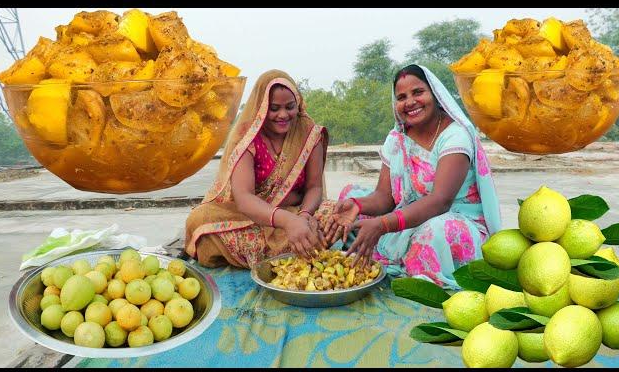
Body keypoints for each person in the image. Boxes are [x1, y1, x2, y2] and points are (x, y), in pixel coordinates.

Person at [323, 64, 502, 288]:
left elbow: (440, 201)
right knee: (349, 196)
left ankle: (419, 272)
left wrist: (384, 225)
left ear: (435, 95)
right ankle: (379, 252)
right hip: (411, 213)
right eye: (402, 97)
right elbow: (384, 197)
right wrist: (357, 205)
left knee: (432, 232)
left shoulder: (455, 136)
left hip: (454, 218)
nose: (410, 102)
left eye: (418, 92)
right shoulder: (397, 138)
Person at [185, 69, 335, 268]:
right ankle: (298, 250)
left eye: (290, 107)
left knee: (334, 214)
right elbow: (244, 198)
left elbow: (314, 187)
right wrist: (287, 222)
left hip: (299, 211)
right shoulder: (248, 137)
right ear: (262, 106)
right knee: (199, 220)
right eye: (274, 108)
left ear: (298, 104)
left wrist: (304, 217)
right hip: (251, 218)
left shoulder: (308, 132)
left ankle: (292, 246)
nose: (283, 115)